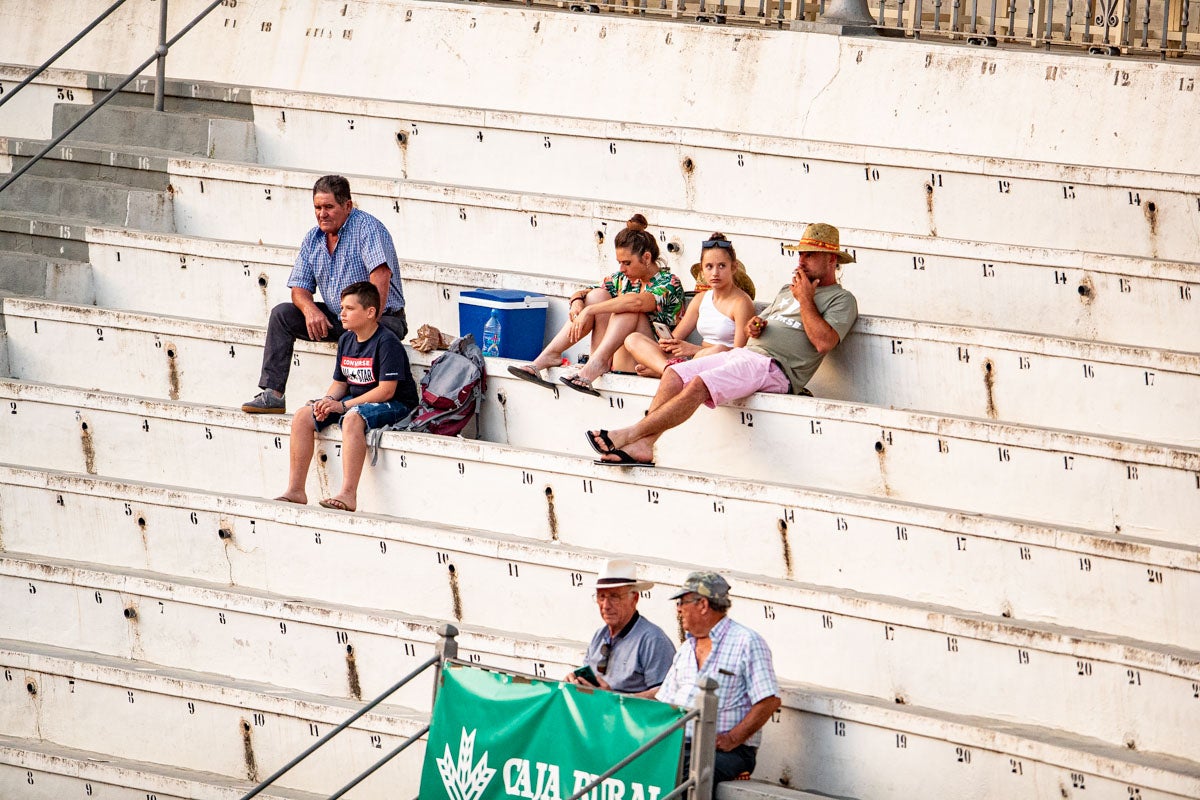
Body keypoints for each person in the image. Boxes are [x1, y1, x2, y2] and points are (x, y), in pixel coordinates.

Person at [586, 222, 858, 467]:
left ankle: (630, 433)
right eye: (800, 253)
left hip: (776, 368)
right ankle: (644, 445)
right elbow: (757, 324)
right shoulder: (789, 290)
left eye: (809, 254)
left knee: (698, 385)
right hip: (746, 355)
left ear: (831, 259)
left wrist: (806, 299)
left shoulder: (841, 299)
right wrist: (756, 326)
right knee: (673, 373)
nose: (801, 260)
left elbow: (824, 342)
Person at [242, 175, 408, 413]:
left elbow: (380, 277)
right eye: (318, 207)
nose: (322, 213)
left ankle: (345, 402)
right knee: (282, 315)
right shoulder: (313, 238)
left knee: (357, 336)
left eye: (329, 207)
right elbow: (299, 288)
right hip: (340, 316)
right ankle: (273, 393)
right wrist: (310, 310)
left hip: (382, 318)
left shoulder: (368, 228)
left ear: (347, 206)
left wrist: (367, 323)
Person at [274, 281, 418, 512]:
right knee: (303, 415)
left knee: (352, 418)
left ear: (370, 312)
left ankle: (348, 494)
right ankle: (296, 490)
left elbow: (386, 390)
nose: (342, 313)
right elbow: (340, 382)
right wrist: (328, 401)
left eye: (349, 308)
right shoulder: (346, 340)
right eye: (342, 307)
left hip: (396, 404)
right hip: (356, 401)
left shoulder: (387, 342)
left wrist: (345, 406)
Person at [507, 214, 685, 397]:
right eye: (619, 263)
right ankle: (549, 356)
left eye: (627, 263)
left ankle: (596, 364)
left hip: (646, 358)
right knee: (598, 295)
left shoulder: (669, 282)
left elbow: (638, 302)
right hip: (615, 355)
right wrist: (577, 302)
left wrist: (590, 310)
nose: (622, 269)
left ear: (646, 258)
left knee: (627, 308)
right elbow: (586, 292)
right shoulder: (624, 279)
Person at [649, 571, 780, 795]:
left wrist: (732, 738)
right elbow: (664, 700)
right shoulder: (686, 649)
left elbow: (768, 701)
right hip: (681, 744)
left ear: (702, 604)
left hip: (726, 751)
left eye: (682, 602)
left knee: (679, 776)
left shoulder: (747, 642)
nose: (678, 609)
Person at [623, 233, 756, 379]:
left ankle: (668, 371)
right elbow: (676, 337)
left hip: (722, 362)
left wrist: (692, 349)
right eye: (709, 267)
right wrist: (668, 343)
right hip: (697, 360)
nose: (715, 273)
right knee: (633, 339)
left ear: (733, 267)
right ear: (702, 270)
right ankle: (668, 369)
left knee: (718, 350)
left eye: (722, 266)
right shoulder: (700, 299)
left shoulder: (742, 303)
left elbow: (739, 355)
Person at [565, 559, 676, 694]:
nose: (606, 606)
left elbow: (665, 694)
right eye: (601, 597)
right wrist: (575, 681)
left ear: (634, 599)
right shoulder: (599, 636)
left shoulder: (653, 640)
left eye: (614, 597)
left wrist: (614, 698)